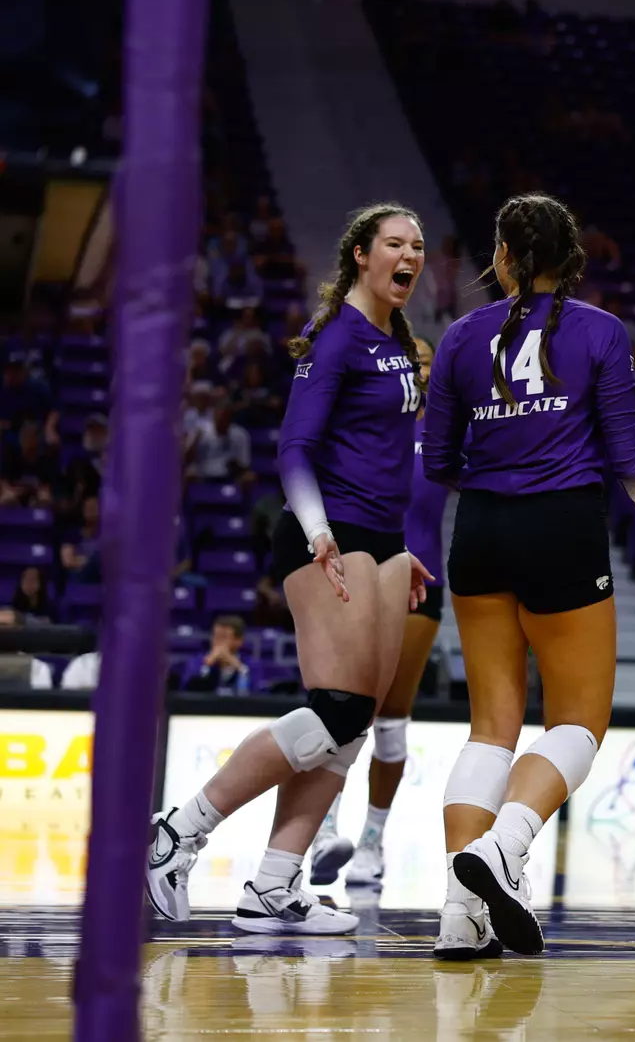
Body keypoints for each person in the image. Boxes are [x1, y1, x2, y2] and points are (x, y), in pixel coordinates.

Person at [422, 193, 635, 960]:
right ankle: (505, 846)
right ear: (571, 258)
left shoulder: (457, 337)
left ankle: (458, 910)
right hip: (563, 531)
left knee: (489, 729)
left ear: (503, 258)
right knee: (579, 720)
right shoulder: (601, 331)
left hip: (478, 530)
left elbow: (438, 460)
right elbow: (626, 454)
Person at [146, 203, 433, 937]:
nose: (411, 255)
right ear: (362, 255)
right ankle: (179, 830)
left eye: (419, 246)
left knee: (355, 721)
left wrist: (403, 553)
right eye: (396, 243)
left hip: (380, 539)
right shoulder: (336, 341)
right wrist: (320, 532)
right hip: (325, 534)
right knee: (336, 706)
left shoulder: (395, 339)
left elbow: (383, 458)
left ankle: (275, 885)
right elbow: (293, 450)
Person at [308, 334, 451, 889]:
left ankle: (372, 840)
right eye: (408, 359)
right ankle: (323, 830)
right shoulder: (361, 423)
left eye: (425, 361)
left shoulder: (448, 430)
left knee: (391, 722)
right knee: (339, 709)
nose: (416, 367)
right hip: (354, 577)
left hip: (420, 584)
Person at [181, 615, 252, 695]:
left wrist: (238, 667)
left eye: (224, 637)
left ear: (239, 641)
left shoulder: (251, 664)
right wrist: (206, 666)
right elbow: (187, 691)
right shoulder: (197, 661)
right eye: (215, 636)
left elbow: (254, 694)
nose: (218, 641)